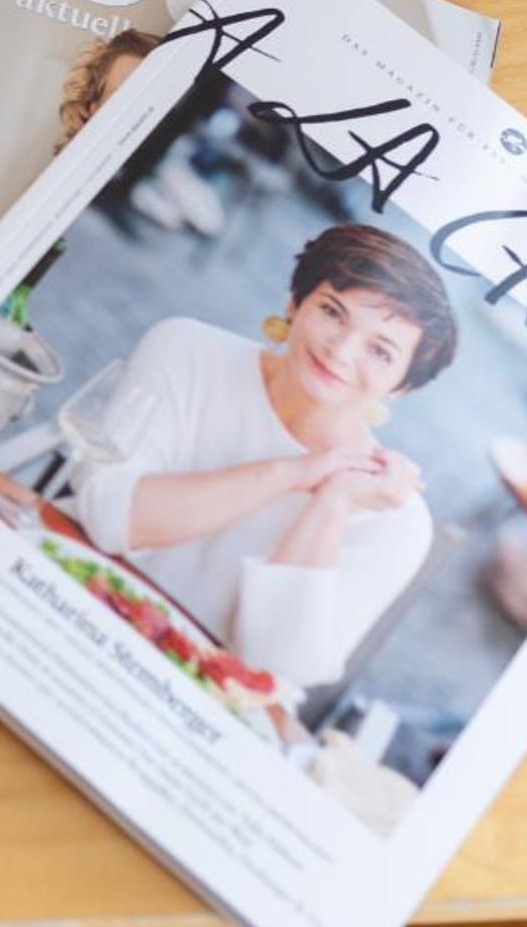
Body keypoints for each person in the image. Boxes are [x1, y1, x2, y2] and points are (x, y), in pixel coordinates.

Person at [65, 223, 458, 688]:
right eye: (332, 312)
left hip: (186, 693)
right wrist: (291, 473)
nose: (341, 350)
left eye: (380, 351)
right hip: (68, 600)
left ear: (402, 387)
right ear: (294, 302)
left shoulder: (394, 517)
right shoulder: (187, 349)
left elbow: (276, 669)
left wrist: (333, 503)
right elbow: (110, 516)